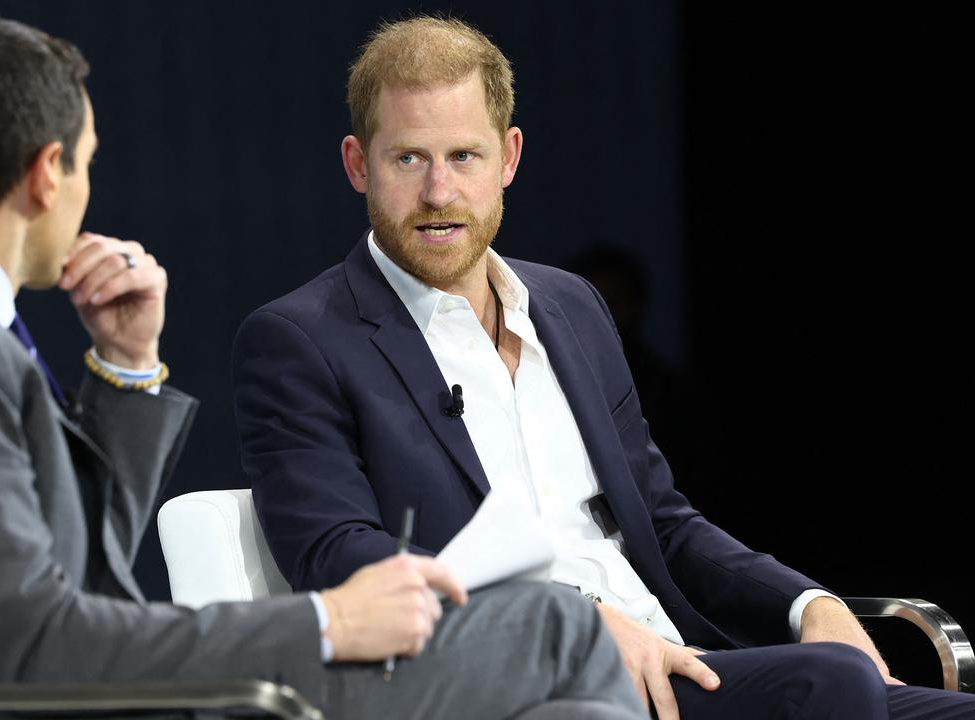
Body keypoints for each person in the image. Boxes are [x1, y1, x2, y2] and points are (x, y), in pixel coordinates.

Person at [0, 15, 645, 720]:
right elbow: (39, 644)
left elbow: (66, 566)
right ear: (47, 173)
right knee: (555, 628)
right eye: (90, 161)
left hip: (71, 684)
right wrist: (329, 620)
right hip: (51, 699)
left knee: (560, 688)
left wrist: (126, 366)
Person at [232, 16, 975, 720]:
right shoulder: (301, 340)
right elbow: (341, 560)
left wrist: (809, 604)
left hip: (679, 666)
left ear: (509, 158)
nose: (439, 193)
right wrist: (568, 621)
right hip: (533, 689)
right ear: (359, 165)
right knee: (831, 684)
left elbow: (662, 523)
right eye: (408, 159)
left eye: (463, 156)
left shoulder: (570, 306)